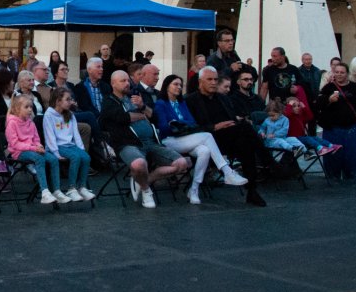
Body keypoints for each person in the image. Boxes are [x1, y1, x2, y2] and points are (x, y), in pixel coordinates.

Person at [100, 70, 189, 209]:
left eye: (128, 80)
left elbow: (154, 117)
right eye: (122, 81)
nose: (127, 83)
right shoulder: (108, 101)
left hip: (151, 142)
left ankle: (142, 181)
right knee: (139, 165)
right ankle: (147, 190)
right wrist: (142, 115)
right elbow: (122, 118)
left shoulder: (136, 97)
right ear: (113, 83)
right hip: (127, 144)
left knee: (181, 163)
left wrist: (142, 106)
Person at [154, 74, 247, 205]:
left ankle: (194, 189)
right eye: (175, 84)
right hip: (169, 140)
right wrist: (179, 124)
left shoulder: (181, 103)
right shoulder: (161, 103)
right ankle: (227, 171)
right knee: (207, 136)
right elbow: (163, 127)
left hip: (185, 137)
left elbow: (192, 122)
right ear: (167, 86)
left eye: (181, 85)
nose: (179, 87)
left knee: (204, 151)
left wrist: (179, 123)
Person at [184, 67, 267, 207]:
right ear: (200, 82)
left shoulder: (223, 99)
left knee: (246, 143)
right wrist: (215, 127)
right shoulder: (190, 100)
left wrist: (233, 122)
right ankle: (268, 162)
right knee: (246, 130)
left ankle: (252, 191)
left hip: (228, 138)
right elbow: (189, 128)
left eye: (216, 79)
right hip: (207, 139)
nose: (213, 82)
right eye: (209, 79)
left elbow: (232, 117)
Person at [5, 94, 62, 204]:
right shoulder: (12, 123)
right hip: (19, 152)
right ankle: (45, 192)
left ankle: (56, 190)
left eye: (31, 107)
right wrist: (33, 148)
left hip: (32, 149)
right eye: (26, 107)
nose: (30, 109)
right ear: (17, 109)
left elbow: (36, 138)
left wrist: (39, 145)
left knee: (53, 159)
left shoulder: (31, 123)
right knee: (39, 159)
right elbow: (15, 144)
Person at [42, 87, 94, 203]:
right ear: (58, 101)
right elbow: (49, 136)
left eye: (71, 99)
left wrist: (81, 150)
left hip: (70, 145)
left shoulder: (70, 114)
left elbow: (76, 134)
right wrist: (55, 152)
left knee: (86, 157)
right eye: (67, 99)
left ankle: (82, 187)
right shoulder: (49, 115)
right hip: (57, 146)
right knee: (75, 157)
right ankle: (71, 188)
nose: (71, 102)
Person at [318, 62, 356, 181]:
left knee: (352, 156)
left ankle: (352, 179)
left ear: (347, 74)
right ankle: (333, 178)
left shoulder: (355, 87)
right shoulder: (328, 87)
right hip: (332, 128)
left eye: (342, 72)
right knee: (333, 156)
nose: (339, 75)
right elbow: (319, 104)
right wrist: (329, 99)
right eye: (337, 72)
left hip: (351, 128)